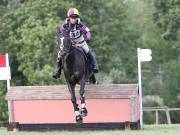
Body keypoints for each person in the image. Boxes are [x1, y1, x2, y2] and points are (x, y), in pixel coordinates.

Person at [53, 8, 99, 79]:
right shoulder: (65, 24)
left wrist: (88, 38)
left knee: (88, 51)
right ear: (69, 18)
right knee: (59, 54)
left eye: (75, 17)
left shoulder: (80, 24)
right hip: (70, 43)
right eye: (72, 17)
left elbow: (88, 31)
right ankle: (58, 71)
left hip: (80, 42)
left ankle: (94, 66)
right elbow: (60, 31)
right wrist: (61, 36)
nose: (73, 19)